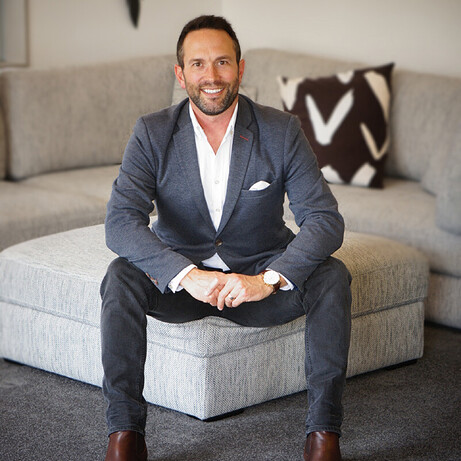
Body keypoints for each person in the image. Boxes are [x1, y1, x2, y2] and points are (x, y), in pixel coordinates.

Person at [100, 15, 352, 461]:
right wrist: (186, 274)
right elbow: (121, 222)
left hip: (256, 282)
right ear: (180, 75)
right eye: (197, 64)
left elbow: (324, 219)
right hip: (182, 286)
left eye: (222, 62)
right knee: (120, 275)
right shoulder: (152, 132)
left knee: (333, 275)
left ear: (240, 68)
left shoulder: (281, 130)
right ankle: (125, 436)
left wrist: (268, 279)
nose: (211, 76)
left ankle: (323, 436)